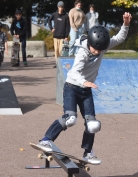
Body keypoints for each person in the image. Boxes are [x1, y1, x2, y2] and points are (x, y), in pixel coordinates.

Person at [34, 12, 132, 164]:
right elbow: (74, 72)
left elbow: (119, 38)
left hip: (86, 91)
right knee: (70, 118)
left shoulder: (102, 46)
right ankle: (46, 140)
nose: (98, 53)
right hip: (72, 87)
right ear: (90, 44)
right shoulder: (82, 52)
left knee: (92, 124)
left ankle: (88, 152)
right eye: (95, 50)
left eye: (100, 51)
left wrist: (125, 24)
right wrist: (84, 81)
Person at [48, 1, 70, 67]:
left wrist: (66, 36)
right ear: (58, 7)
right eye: (59, 7)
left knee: (61, 50)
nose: (60, 8)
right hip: (55, 35)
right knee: (56, 50)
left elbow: (68, 26)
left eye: (62, 7)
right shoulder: (54, 15)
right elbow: (49, 20)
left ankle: (60, 63)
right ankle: (57, 63)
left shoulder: (66, 16)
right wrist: (51, 28)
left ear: (63, 8)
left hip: (63, 36)